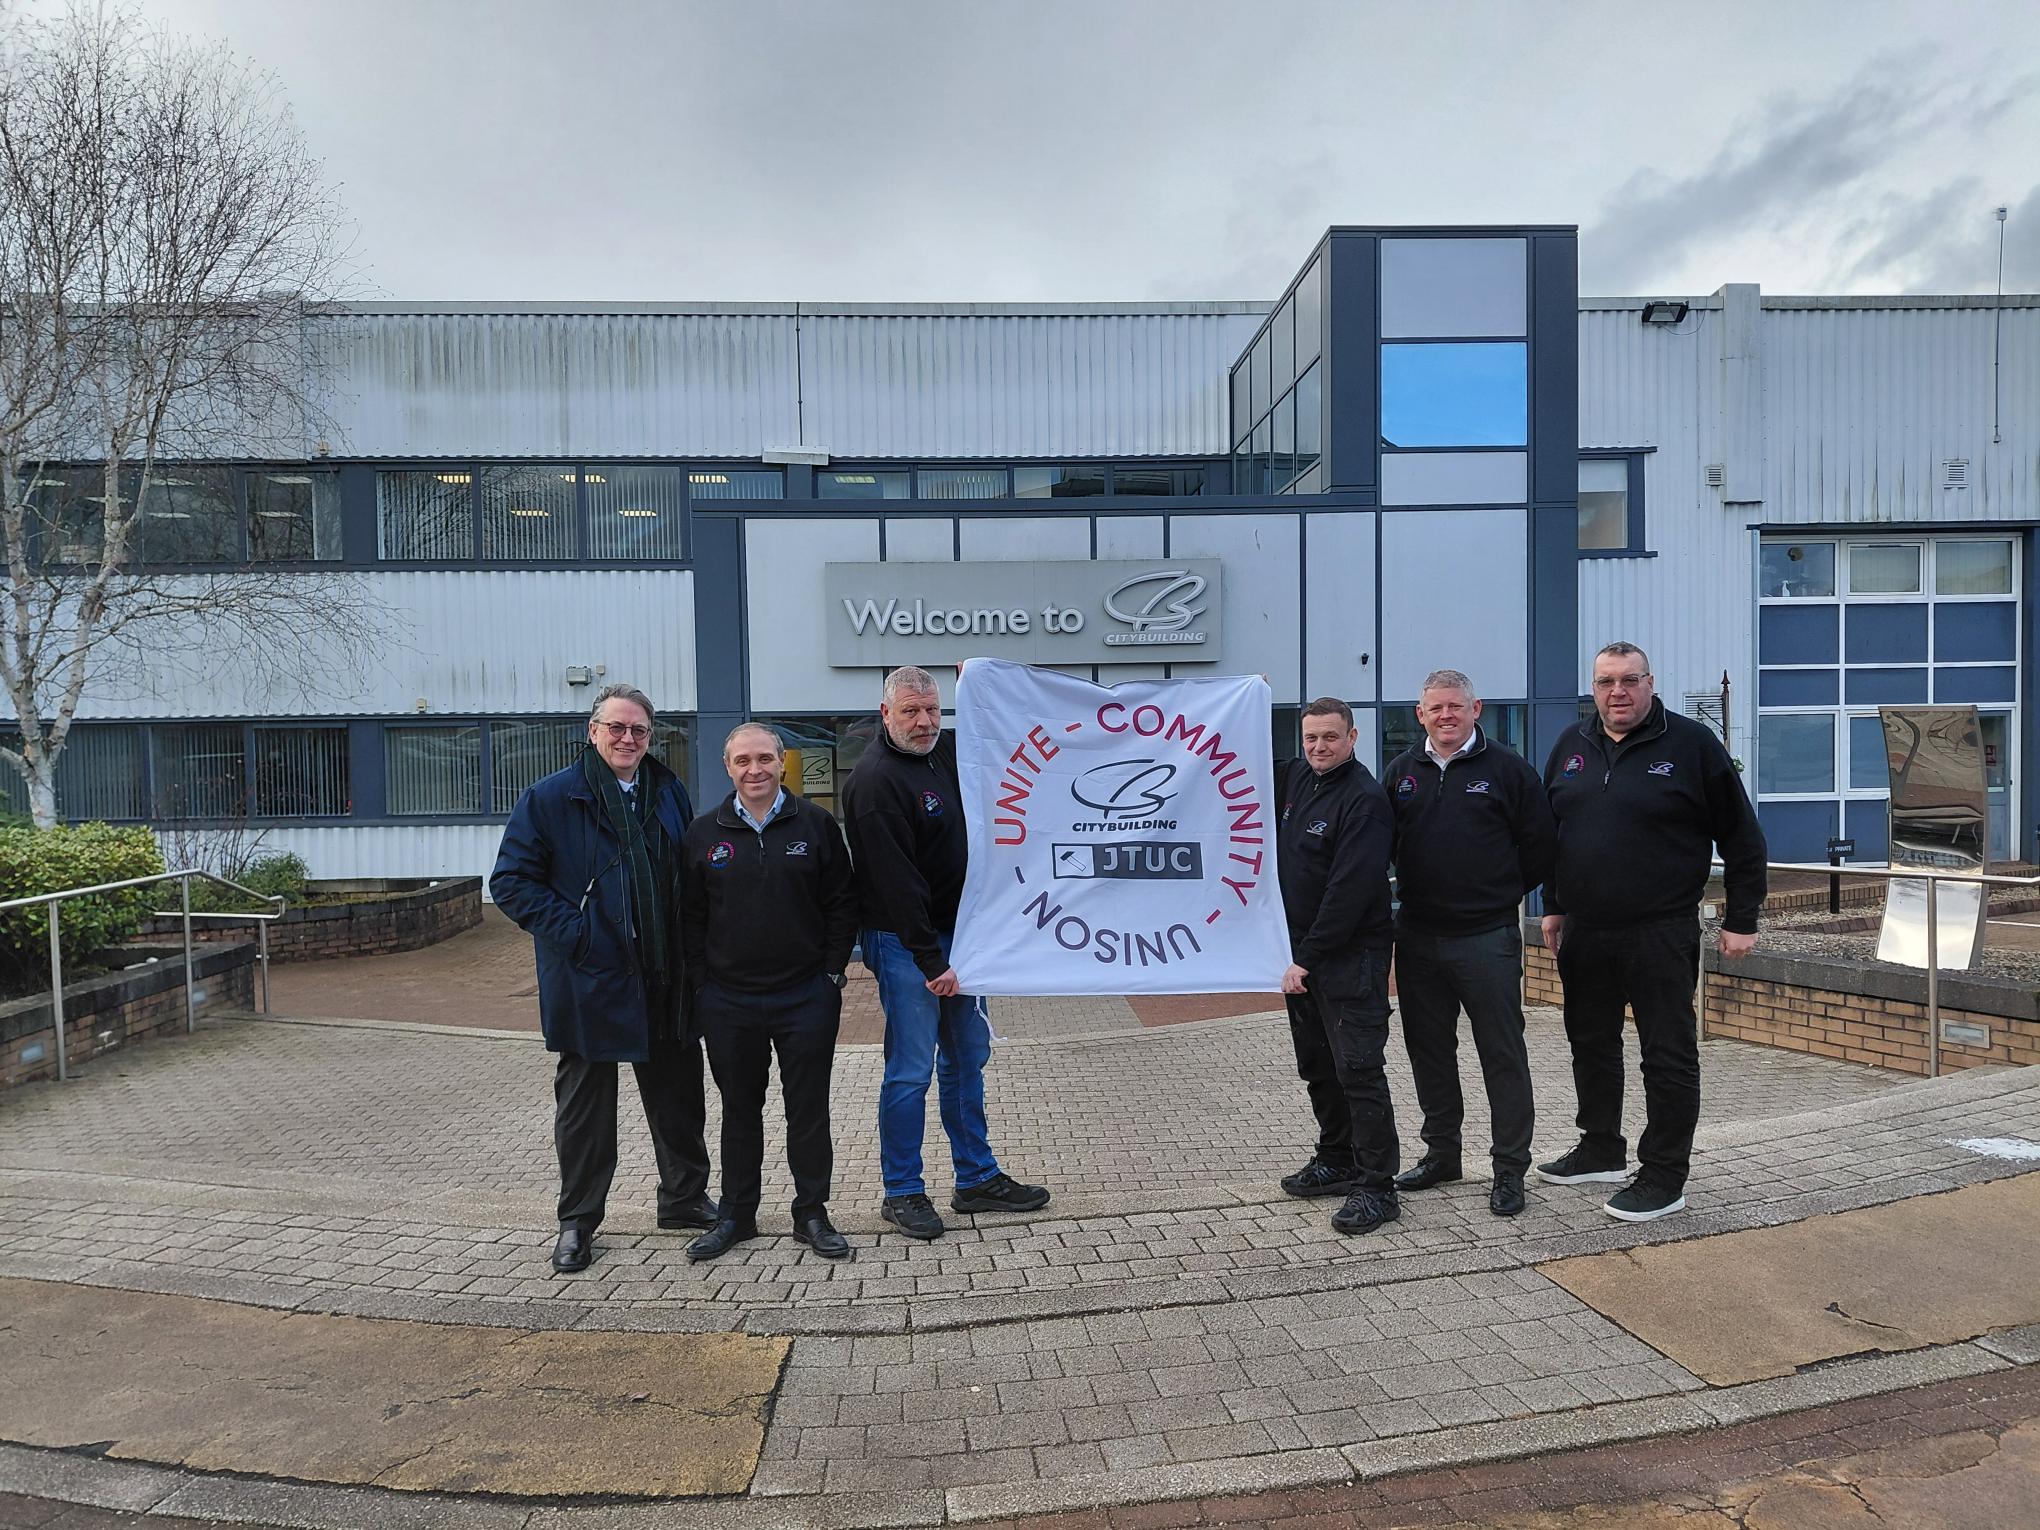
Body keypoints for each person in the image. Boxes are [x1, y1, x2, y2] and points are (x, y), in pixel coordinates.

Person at [1538, 641, 1767, 1223]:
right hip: (1585, 931)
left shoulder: (1691, 745)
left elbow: (1741, 837)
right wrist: (1555, 905)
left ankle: (1665, 1175)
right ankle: (1600, 1149)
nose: (1618, 692)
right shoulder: (1572, 745)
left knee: (1666, 1055)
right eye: (1606, 682)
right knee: (1590, 1044)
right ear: (1593, 687)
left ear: (1650, 682)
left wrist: (1742, 919)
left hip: (1659, 931)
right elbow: (1556, 833)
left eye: (1630, 681)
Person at [491, 684, 713, 1274]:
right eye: (616, 728)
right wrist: (580, 935)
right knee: (587, 1109)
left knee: (679, 1098)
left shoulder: (667, 791)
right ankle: (578, 1221)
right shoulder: (551, 798)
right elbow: (511, 883)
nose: (627, 739)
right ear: (593, 732)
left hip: (665, 974)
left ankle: (684, 1200)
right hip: (592, 976)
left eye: (639, 730)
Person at [840, 664, 1050, 1240]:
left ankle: (976, 1179)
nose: (925, 721)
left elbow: (1006, 731)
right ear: (885, 714)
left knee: (967, 1061)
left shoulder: (943, 754)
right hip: (911, 945)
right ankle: (902, 1190)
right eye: (910, 710)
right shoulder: (875, 782)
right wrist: (933, 964)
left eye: (933, 709)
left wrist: (983, 681)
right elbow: (894, 881)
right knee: (911, 1070)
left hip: (965, 938)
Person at [680, 723, 859, 1262]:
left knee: (808, 1109)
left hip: (805, 996)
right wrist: (703, 985)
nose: (754, 770)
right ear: (727, 767)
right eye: (742, 761)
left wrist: (830, 974)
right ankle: (737, 1214)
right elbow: (689, 917)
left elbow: (842, 903)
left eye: (764, 759)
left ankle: (811, 1212)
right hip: (729, 1000)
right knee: (739, 1109)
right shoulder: (703, 832)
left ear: (783, 763)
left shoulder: (816, 824)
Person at [1383, 669, 1555, 1218]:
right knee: (1429, 1052)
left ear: (1476, 708)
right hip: (1417, 937)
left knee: (1501, 1055)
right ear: (1420, 714)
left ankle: (1509, 1169)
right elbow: (1384, 845)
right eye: (1435, 709)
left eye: (1455, 707)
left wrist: (1496, 893)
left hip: (1486, 937)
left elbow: (1541, 847)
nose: (1446, 716)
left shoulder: (1508, 770)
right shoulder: (1400, 772)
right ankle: (1442, 1155)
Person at [1275, 696, 1403, 1235]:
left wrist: (1305, 959)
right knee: (1319, 1066)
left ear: (1353, 738)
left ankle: (1378, 1187)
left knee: (1357, 1069)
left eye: (1330, 737)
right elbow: (1224, 760)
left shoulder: (1365, 800)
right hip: (1303, 955)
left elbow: (1348, 893)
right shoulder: (1300, 780)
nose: (1319, 747)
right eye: (1310, 738)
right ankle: (1337, 1158)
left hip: (1350, 958)